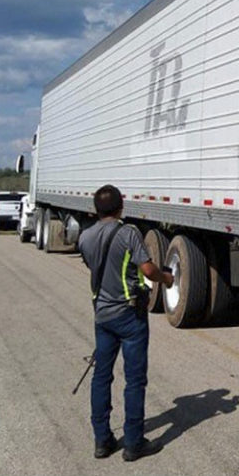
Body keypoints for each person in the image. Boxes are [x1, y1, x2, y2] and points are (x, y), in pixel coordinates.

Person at [77, 185, 175, 462]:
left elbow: (95, 267)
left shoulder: (85, 237)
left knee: (101, 377)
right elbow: (147, 269)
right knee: (134, 380)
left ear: (96, 210)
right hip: (129, 316)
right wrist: (166, 279)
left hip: (102, 315)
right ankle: (133, 444)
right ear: (121, 206)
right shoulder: (128, 233)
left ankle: (102, 441)